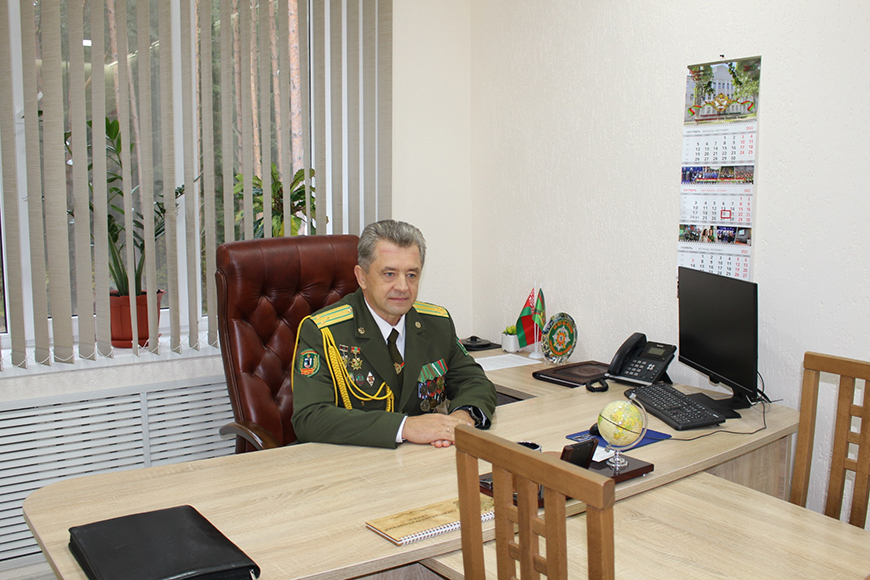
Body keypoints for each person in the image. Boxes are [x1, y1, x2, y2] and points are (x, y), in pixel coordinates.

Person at [291, 220, 497, 448]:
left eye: (411, 275)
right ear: (361, 277)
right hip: (352, 461)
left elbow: (474, 381)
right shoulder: (324, 331)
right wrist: (404, 427)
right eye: (389, 274)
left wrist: (461, 418)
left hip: (422, 457)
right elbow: (310, 418)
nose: (403, 287)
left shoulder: (437, 323)